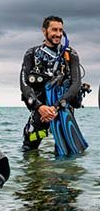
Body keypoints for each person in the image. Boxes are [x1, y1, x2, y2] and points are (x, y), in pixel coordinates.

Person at [20, 16, 88, 154]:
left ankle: (64, 174)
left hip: (62, 111)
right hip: (40, 112)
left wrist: (55, 107)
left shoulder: (70, 54)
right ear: (44, 31)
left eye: (61, 30)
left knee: (67, 154)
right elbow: (24, 84)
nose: (58, 34)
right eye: (54, 30)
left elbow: (76, 84)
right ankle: (34, 173)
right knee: (29, 148)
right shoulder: (31, 53)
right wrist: (40, 107)